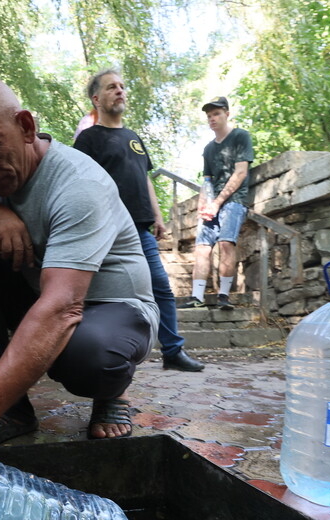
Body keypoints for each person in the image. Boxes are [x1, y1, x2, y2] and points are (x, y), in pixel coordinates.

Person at [0, 76, 159, 490]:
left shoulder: (78, 185)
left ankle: (114, 391)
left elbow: (62, 307)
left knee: (87, 357)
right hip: (46, 296)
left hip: (115, 310)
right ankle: (14, 410)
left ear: (26, 127)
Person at [74, 69, 205, 372]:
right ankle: (89, 348)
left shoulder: (134, 138)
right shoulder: (89, 139)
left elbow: (144, 179)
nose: (119, 91)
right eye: (111, 87)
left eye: (121, 86)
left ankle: (172, 352)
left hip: (140, 229)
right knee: (97, 291)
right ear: (96, 98)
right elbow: (81, 182)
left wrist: (158, 217)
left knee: (161, 287)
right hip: (104, 229)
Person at [180, 96, 253, 311]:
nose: (212, 118)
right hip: (212, 204)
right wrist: (203, 205)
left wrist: (218, 202)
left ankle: (223, 296)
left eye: (217, 114)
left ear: (227, 114)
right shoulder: (209, 149)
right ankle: (197, 297)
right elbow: (207, 180)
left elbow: (241, 173)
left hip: (233, 201)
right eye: (209, 115)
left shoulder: (240, 136)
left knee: (225, 244)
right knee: (202, 249)